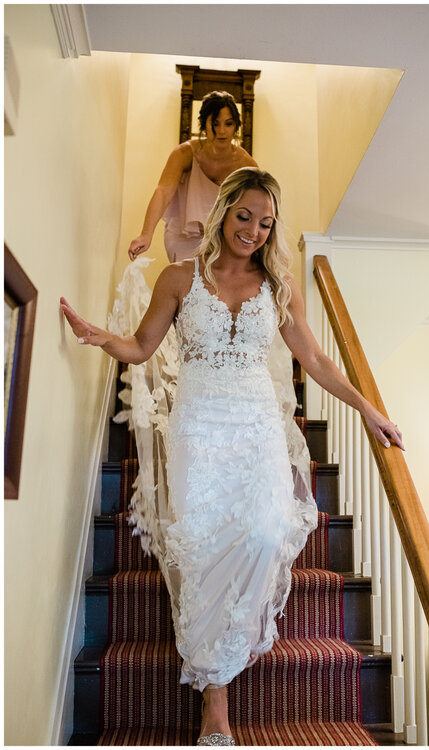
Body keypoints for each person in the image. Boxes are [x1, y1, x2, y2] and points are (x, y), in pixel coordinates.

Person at [62, 167, 404, 746]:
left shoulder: (280, 287)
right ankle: (215, 700)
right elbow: (143, 348)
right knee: (202, 549)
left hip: (256, 425)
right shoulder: (177, 278)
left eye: (266, 222)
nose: (253, 230)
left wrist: (369, 409)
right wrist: (100, 337)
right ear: (223, 211)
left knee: (267, 534)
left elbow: (316, 363)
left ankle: (224, 649)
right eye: (244, 215)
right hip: (198, 426)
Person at [128, 90, 257, 262]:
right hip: (183, 235)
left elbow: (258, 208)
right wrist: (146, 234)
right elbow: (163, 191)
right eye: (215, 123)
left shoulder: (246, 164)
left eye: (228, 123)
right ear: (204, 124)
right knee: (186, 282)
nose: (221, 131)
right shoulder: (184, 153)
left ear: (236, 126)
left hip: (222, 240)